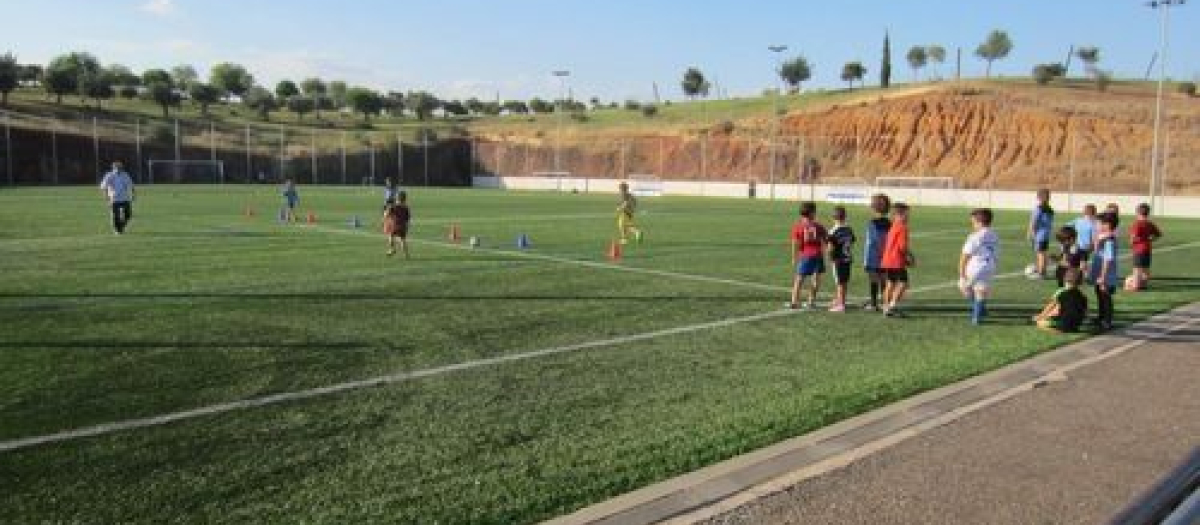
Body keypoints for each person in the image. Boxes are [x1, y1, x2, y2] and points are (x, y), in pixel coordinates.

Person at [958, 208, 1000, 325]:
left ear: (979, 222)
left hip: (974, 267)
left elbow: (965, 255)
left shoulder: (974, 237)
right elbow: (996, 253)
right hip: (989, 267)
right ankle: (978, 316)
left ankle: (978, 311)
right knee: (981, 291)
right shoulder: (994, 234)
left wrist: (961, 272)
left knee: (963, 286)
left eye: (973, 222)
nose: (972, 225)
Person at [788, 201, 828, 311]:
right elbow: (826, 240)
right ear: (812, 213)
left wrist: (794, 257)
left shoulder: (798, 226)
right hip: (818, 256)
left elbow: (795, 244)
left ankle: (794, 302)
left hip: (806, 256)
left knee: (799, 279)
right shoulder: (819, 226)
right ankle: (811, 301)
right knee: (816, 279)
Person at [880, 202, 914, 318]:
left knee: (890, 283)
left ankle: (886, 307)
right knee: (904, 283)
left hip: (888, 259)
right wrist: (909, 257)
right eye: (907, 214)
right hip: (896, 260)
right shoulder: (902, 227)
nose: (908, 216)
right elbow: (902, 247)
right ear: (901, 214)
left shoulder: (894, 225)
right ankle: (892, 306)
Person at [1032, 268, 1089, 333]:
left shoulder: (1061, 292)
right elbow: (1084, 312)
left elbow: (1050, 306)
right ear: (1080, 282)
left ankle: (1058, 329)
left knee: (1039, 323)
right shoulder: (1083, 296)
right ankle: (1066, 327)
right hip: (1076, 325)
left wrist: (1040, 316)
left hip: (1062, 324)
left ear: (1064, 278)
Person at [861, 194, 892, 311]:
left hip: (873, 256)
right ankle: (885, 303)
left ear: (874, 207)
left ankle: (874, 304)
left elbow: (874, 241)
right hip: (885, 256)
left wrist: (875, 255)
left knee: (873, 280)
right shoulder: (890, 223)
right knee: (884, 281)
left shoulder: (872, 223)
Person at [1090, 213, 1120, 332]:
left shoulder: (1109, 241)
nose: (1097, 225)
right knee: (1099, 294)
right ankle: (1101, 317)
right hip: (1099, 272)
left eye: (1099, 223)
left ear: (1107, 225)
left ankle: (1107, 321)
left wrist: (1103, 277)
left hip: (1106, 274)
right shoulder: (1104, 237)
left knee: (1105, 296)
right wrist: (1098, 237)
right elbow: (1095, 248)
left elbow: (1108, 259)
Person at [827, 206, 857, 313]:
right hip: (847, 258)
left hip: (838, 259)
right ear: (845, 217)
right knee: (844, 281)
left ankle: (841, 304)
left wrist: (830, 257)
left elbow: (830, 247)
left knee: (840, 282)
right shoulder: (849, 229)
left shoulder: (833, 231)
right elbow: (852, 241)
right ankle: (840, 299)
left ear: (833, 217)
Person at [1129, 203, 1163, 290]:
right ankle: (1143, 285)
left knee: (1137, 269)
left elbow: (1133, 238)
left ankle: (1135, 286)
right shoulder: (1149, 223)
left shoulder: (1136, 224)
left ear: (1138, 212)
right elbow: (1159, 234)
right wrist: (1149, 240)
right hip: (1147, 249)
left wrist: (1133, 242)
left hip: (1139, 250)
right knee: (1145, 269)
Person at [99, 161, 136, 235]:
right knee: (115, 216)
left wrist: (133, 194)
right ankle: (117, 230)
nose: (119, 169)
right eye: (117, 167)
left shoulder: (125, 175)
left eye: (120, 167)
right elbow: (103, 187)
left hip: (125, 198)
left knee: (128, 215)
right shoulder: (109, 176)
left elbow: (131, 185)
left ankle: (121, 227)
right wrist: (107, 198)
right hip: (114, 199)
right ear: (113, 168)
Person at [1027, 188, 1055, 280]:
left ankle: (1041, 273)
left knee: (1040, 254)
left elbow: (1034, 221)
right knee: (1043, 253)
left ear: (1038, 197)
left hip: (1040, 235)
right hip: (1046, 234)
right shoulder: (1049, 209)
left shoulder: (1039, 208)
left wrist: (1031, 233)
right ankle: (1042, 271)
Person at [1070, 204, 1098, 274]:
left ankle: (1078, 275)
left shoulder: (1078, 220)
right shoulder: (1094, 223)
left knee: (1075, 262)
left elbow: (1067, 226)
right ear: (1094, 212)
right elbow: (1094, 236)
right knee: (1083, 262)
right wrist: (1093, 245)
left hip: (1076, 245)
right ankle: (1084, 275)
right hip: (1086, 246)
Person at [383, 191, 412, 258]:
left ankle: (392, 249)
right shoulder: (406, 207)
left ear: (397, 198)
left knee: (390, 235)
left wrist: (386, 211)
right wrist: (407, 226)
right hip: (403, 226)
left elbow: (386, 214)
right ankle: (406, 254)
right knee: (402, 240)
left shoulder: (394, 206)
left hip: (395, 225)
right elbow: (408, 218)